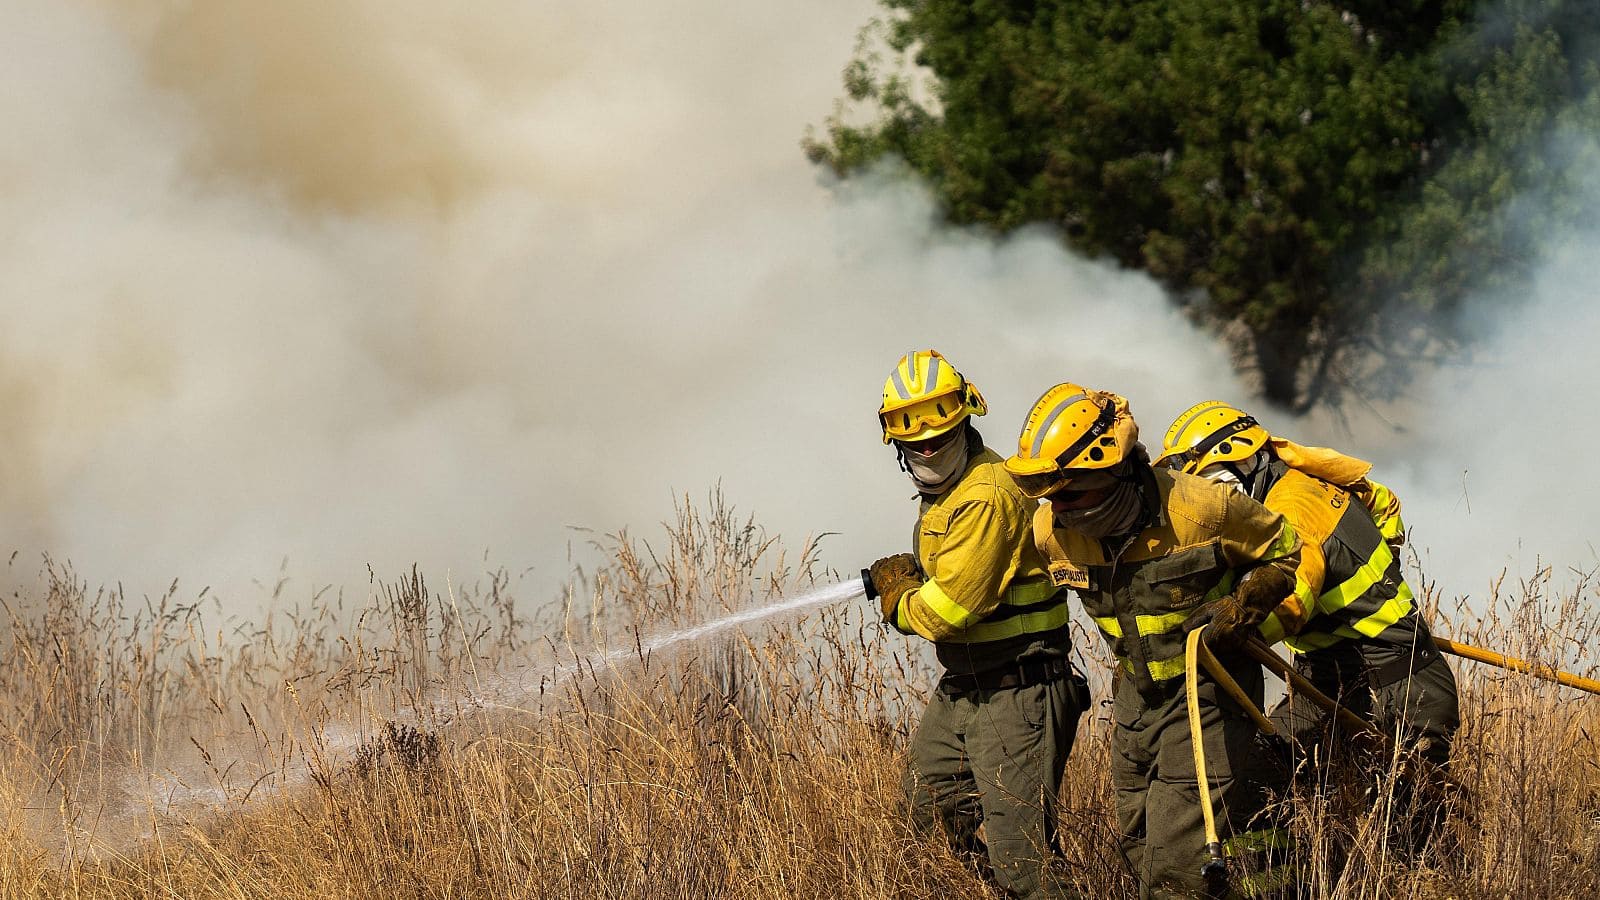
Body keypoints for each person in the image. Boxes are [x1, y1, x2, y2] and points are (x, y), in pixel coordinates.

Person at [1004, 384, 1300, 899]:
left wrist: (1247, 604)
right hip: (1135, 701)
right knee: (1139, 845)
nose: (1058, 507)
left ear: (1113, 470)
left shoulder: (1202, 509)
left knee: (1174, 867)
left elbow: (1285, 547)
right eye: (1048, 495)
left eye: (1069, 493)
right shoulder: (1051, 533)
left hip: (1209, 693)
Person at [1155, 401, 1460, 843]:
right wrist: (1375, 570)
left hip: (1398, 690)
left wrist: (1234, 632)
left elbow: (1292, 599)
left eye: (1217, 487)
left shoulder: (1290, 510)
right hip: (1327, 683)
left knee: (1400, 840)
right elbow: (1384, 500)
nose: (1217, 505)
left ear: (1246, 461)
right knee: (1258, 785)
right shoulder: (1307, 477)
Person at [866, 349, 1087, 899]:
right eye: (914, 442)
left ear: (965, 421)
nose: (927, 449)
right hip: (968, 686)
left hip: (1020, 688)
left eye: (939, 436)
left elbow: (948, 613)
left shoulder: (985, 495)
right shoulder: (947, 492)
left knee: (1025, 864)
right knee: (926, 824)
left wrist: (898, 596)